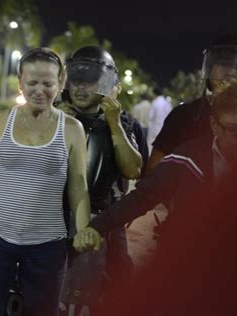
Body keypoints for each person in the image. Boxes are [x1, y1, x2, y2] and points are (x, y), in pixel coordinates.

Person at [76, 82, 237, 315]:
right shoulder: (187, 158)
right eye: (233, 130)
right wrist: (97, 227)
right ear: (214, 125)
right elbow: (144, 195)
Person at [0, 47, 97, 316]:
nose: (39, 90)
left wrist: (83, 229)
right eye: (32, 83)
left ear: (60, 84)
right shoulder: (1, 121)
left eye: (48, 83)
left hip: (47, 246)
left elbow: (78, 186)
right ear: (20, 82)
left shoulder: (72, 129)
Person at [57, 45, 148, 314]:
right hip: (54, 215)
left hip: (104, 219)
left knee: (119, 279)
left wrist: (114, 123)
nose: (82, 88)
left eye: (91, 81)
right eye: (77, 80)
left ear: (109, 85)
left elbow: (133, 169)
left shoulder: (126, 123)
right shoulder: (54, 113)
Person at [145, 32, 237, 172]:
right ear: (209, 68)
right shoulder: (184, 116)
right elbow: (154, 172)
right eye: (223, 64)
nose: (230, 73)